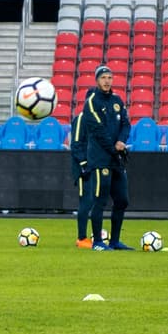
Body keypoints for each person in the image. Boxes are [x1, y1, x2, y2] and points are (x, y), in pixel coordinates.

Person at [82, 64, 133, 251]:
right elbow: (98, 131)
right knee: (100, 200)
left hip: (116, 159)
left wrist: (121, 141)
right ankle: (97, 242)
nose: (107, 81)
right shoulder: (92, 101)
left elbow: (126, 124)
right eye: (103, 78)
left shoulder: (117, 101)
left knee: (122, 200)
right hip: (100, 159)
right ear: (97, 80)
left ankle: (115, 241)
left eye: (110, 78)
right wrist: (115, 147)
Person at [69, 110, 93, 248]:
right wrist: (83, 164)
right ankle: (81, 238)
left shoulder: (96, 119)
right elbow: (76, 144)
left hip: (94, 165)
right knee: (86, 201)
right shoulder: (81, 119)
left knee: (95, 202)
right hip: (83, 168)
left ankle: (95, 236)